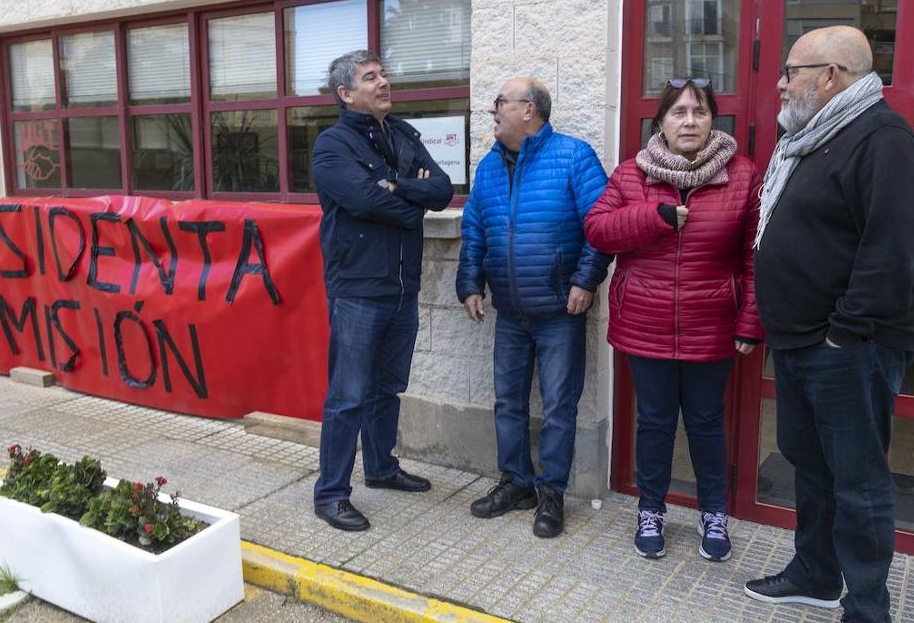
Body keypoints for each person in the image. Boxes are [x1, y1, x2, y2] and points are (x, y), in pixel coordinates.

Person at [746, 26, 914, 623]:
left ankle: (869, 615)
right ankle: (817, 574)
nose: (780, 83)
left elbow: (889, 252)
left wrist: (843, 335)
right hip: (800, 340)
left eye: (791, 71)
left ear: (830, 75)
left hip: (849, 345)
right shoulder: (809, 139)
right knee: (810, 463)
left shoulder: (882, 139)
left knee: (858, 480)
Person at [584, 77, 762, 562]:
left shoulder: (743, 175)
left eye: (699, 112)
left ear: (713, 120)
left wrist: (751, 318)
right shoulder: (631, 174)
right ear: (660, 121)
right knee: (655, 422)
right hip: (645, 323)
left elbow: (756, 254)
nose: (689, 121)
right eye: (679, 112)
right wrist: (654, 217)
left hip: (713, 323)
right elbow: (597, 230)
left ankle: (714, 513)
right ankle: (651, 510)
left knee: (706, 423)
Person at [456, 77, 609, 539]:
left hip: (560, 311)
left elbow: (600, 228)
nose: (492, 110)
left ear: (528, 110)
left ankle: (552, 493)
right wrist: (470, 284)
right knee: (508, 401)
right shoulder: (488, 166)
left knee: (559, 406)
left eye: (499, 102)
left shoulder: (574, 156)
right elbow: (475, 230)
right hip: (510, 312)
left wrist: (585, 280)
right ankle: (516, 483)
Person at [310, 50, 453, 532]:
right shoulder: (332, 145)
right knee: (348, 395)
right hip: (358, 289)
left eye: (384, 74)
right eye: (370, 77)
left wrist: (397, 187)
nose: (384, 82)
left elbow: (443, 190)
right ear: (346, 93)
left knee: (388, 387)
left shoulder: (404, 135)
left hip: (402, 287)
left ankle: (381, 468)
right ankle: (331, 494)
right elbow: (365, 200)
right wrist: (406, 196)